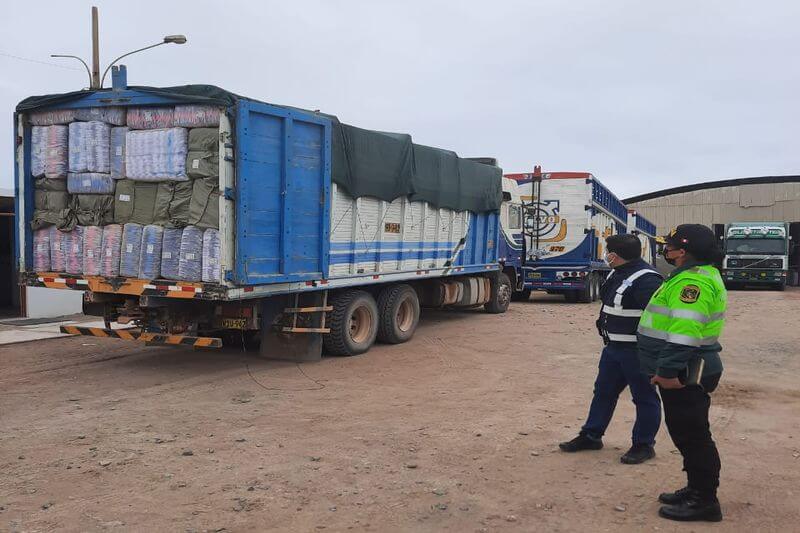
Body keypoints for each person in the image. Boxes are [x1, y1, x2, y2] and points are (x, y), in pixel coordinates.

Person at [637, 224, 727, 522]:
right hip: (684, 369)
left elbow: (684, 334)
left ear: (683, 251)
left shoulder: (693, 283)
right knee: (686, 432)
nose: (667, 249)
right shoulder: (692, 276)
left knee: (693, 436)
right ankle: (695, 488)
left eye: (670, 245)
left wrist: (666, 372)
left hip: (685, 372)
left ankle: (705, 501)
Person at [559, 234, 663, 464]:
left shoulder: (648, 280)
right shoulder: (617, 273)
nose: (606, 256)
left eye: (608, 251)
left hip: (636, 352)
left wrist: (654, 354)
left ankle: (643, 445)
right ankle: (591, 435)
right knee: (603, 393)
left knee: (644, 398)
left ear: (615, 255)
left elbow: (659, 319)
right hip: (613, 349)